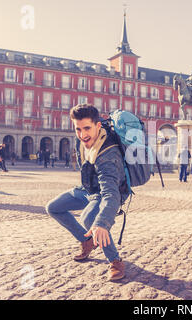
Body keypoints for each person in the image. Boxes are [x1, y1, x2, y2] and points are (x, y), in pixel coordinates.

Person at [46, 104, 129, 281]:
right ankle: (86, 241)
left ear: (98, 126)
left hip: (107, 192)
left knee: (90, 219)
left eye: (87, 128)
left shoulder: (108, 156)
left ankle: (115, 261)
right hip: (88, 189)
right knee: (53, 207)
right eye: (78, 129)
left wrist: (103, 223)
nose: (82, 134)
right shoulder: (81, 141)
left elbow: (111, 194)